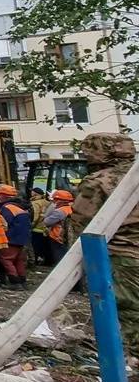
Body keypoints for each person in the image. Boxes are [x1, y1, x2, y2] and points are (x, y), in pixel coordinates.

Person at [69, 133, 139, 355]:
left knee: (127, 314)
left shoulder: (98, 182)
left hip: (121, 257)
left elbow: (83, 224)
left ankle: (128, 363)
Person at [0, 184, 32, 289]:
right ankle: (22, 281)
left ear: (5, 196)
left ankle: (15, 282)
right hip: (22, 238)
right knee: (18, 260)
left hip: (11, 238)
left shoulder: (8, 207)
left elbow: (5, 223)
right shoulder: (21, 206)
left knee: (6, 259)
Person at [45, 189, 76, 267]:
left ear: (59, 201)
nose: (54, 202)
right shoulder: (72, 209)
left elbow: (47, 221)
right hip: (69, 237)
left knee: (59, 259)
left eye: (55, 200)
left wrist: (51, 209)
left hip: (58, 238)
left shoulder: (59, 211)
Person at [30, 187, 53, 266]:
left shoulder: (35, 203)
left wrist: (31, 225)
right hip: (45, 228)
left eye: (32, 192)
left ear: (35, 194)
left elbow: (35, 216)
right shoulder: (47, 202)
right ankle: (48, 262)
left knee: (36, 247)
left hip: (37, 228)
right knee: (45, 246)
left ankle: (35, 261)